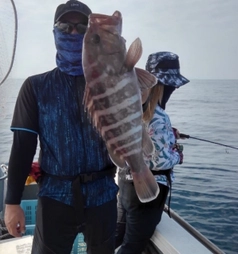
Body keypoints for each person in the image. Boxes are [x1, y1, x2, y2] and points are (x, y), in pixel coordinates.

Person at [4, 1, 119, 253]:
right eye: (66, 26)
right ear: (55, 32)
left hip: (103, 195)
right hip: (55, 198)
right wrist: (12, 202)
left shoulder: (111, 85)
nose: (74, 32)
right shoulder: (35, 87)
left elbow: (132, 122)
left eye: (82, 27)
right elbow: (23, 148)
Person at [115, 51, 190, 253]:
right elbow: (157, 160)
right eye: (171, 86)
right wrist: (177, 155)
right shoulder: (159, 116)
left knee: (115, 237)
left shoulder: (131, 107)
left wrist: (169, 136)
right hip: (147, 189)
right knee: (132, 246)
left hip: (126, 184)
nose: (173, 90)